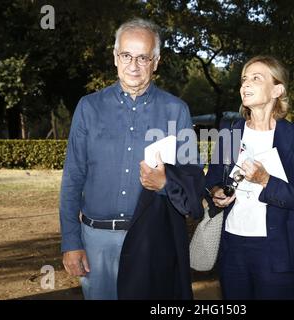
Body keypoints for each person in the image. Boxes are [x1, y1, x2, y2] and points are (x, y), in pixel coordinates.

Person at [59, 18, 202, 300]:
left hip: (152, 241)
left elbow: (193, 183)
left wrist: (164, 183)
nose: (133, 65)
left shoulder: (177, 111)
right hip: (96, 241)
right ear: (115, 57)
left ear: (156, 62)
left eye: (143, 57)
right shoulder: (88, 107)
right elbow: (73, 178)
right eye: (126, 55)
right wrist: (71, 242)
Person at [205, 55, 294, 300]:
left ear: (277, 89)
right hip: (232, 248)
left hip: (277, 251)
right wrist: (217, 193)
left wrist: (266, 180)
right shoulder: (229, 133)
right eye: (244, 79)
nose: (245, 84)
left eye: (256, 78)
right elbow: (212, 180)